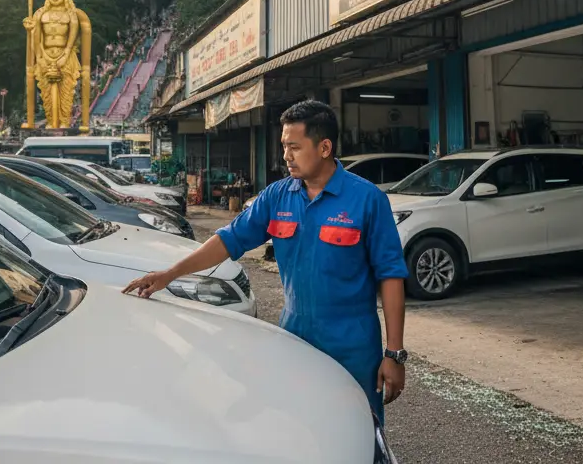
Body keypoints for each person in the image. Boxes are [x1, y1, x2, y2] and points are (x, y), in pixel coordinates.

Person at [124, 100, 409, 424]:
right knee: (299, 425)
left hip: (352, 346)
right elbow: (229, 240)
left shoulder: (367, 200)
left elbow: (391, 276)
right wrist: (171, 273)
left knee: (358, 428)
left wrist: (394, 353)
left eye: (294, 147)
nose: (286, 155)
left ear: (325, 147)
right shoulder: (277, 197)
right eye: (284, 146)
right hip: (295, 338)